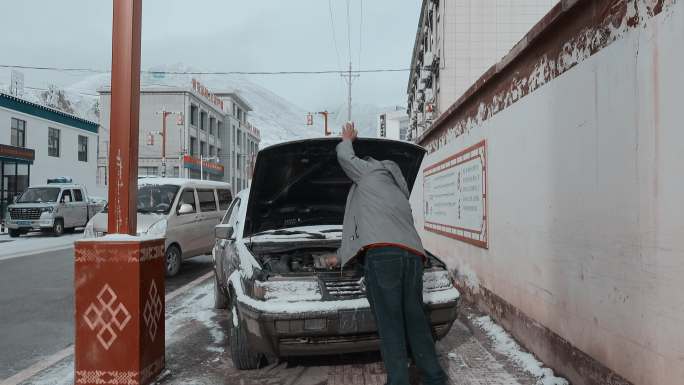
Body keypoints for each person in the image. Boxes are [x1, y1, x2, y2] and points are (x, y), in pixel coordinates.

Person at [331, 123, 447, 385]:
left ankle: (398, 381)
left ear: (371, 163)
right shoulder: (396, 191)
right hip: (413, 256)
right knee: (415, 321)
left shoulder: (370, 172)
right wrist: (339, 256)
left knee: (391, 326)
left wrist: (347, 139)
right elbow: (371, 225)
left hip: (384, 259)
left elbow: (344, 157)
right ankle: (434, 378)